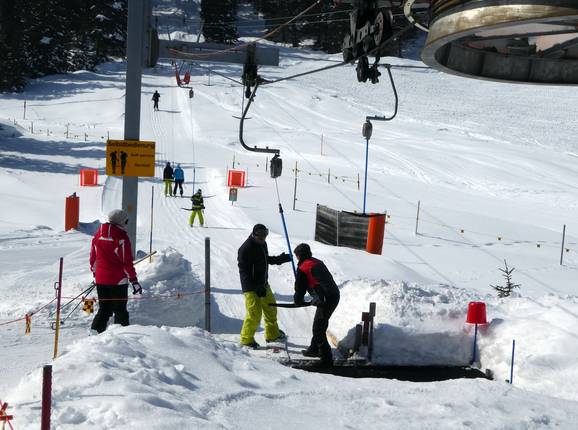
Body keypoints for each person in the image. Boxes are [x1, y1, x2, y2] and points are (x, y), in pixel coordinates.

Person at [238, 224, 292, 348]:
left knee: (271, 309)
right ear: (254, 235)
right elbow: (244, 273)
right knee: (254, 314)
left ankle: (272, 335)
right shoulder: (245, 249)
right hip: (251, 288)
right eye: (260, 237)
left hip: (263, 284)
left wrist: (280, 259)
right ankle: (246, 340)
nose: (263, 239)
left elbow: (264, 259)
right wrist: (255, 287)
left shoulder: (262, 244)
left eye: (265, 236)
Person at [89, 209, 142, 333]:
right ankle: (122, 336)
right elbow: (126, 262)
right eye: (126, 221)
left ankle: (94, 334)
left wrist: (95, 272)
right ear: (121, 222)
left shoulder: (98, 235)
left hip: (100, 278)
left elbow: (93, 258)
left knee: (104, 309)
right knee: (120, 310)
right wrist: (134, 281)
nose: (126, 223)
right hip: (118, 280)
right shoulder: (121, 237)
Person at [293, 243, 340, 367]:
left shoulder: (303, 267)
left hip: (326, 298)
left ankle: (326, 359)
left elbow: (300, 288)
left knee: (318, 328)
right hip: (333, 295)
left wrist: (298, 300)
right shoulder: (316, 262)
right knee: (319, 324)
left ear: (298, 256)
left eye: (296, 255)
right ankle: (314, 349)